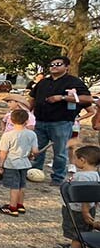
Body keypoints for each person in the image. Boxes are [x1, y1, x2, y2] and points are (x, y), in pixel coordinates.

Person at [30, 56, 92, 185]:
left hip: (61, 122)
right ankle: (35, 173)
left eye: (58, 64)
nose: (54, 66)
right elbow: (32, 98)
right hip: (40, 121)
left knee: (60, 152)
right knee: (37, 149)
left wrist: (62, 97)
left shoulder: (73, 82)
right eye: (52, 64)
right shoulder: (43, 82)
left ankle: (57, 178)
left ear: (67, 67)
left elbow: (87, 99)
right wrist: (27, 113)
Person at [51, 145, 100, 248]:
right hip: (88, 208)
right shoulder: (96, 175)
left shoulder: (82, 177)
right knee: (83, 227)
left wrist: (85, 210)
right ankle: (79, 245)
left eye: (75, 158)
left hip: (78, 209)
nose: (74, 161)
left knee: (76, 227)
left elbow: (85, 195)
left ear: (82, 160)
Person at [0, 109, 39, 216]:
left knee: (14, 187)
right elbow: (35, 151)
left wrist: (0, 165)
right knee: (21, 185)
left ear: (11, 120)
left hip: (11, 164)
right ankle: (20, 205)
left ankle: (12, 208)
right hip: (24, 164)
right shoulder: (32, 134)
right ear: (27, 121)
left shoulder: (8, 135)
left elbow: (3, 152)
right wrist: (32, 156)